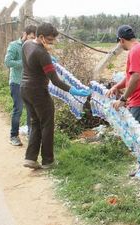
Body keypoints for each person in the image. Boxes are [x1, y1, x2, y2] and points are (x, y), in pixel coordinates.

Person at [21, 22, 91, 169]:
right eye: (50, 40)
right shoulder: (42, 54)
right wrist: (73, 90)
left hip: (25, 89)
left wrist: (47, 59)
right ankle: (48, 160)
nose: (52, 43)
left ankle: (30, 158)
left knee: (35, 122)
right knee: (47, 124)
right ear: (41, 37)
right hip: (38, 91)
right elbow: (55, 80)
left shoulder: (27, 44)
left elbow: (31, 62)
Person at [106, 25, 140, 177]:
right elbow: (130, 77)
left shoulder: (135, 52)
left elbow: (136, 77)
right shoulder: (139, 48)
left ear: (121, 40)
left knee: (139, 138)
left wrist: (123, 99)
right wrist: (117, 86)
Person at [4, 25, 36, 146]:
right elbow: (8, 62)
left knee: (30, 110)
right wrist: (23, 62)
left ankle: (30, 134)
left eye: (33, 38)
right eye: (30, 37)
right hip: (16, 82)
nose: (31, 40)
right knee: (18, 109)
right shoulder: (14, 46)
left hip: (28, 83)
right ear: (25, 34)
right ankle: (13, 136)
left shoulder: (32, 47)